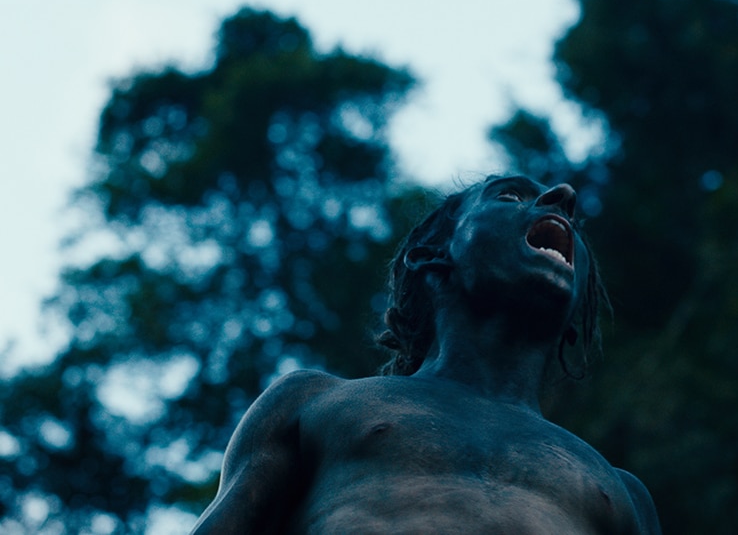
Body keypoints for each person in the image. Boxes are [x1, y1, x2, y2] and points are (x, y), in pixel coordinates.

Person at [191, 175, 662, 534]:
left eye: (575, 225)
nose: (563, 195)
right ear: (432, 255)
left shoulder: (625, 494)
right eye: (510, 196)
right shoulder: (313, 402)